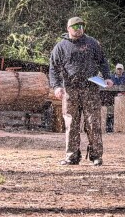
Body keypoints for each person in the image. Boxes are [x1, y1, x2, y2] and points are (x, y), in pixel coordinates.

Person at [49, 16, 114, 166]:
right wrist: (57, 86)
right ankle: (71, 156)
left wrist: (107, 77)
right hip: (70, 90)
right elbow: (53, 69)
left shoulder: (92, 43)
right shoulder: (61, 47)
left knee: (93, 123)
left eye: (82, 27)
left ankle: (97, 156)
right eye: (76, 27)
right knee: (71, 124)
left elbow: (103, 61)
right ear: (68, 28)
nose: (79, 30)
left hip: (90, 89)